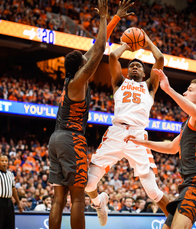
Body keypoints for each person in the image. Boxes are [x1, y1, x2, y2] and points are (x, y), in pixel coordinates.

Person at [48, 1, 134, 228]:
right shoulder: (78, 82)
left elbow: (96, 47)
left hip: (56, 139)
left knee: (58, 199)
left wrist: (115, 18)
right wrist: (105, 18)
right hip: (70, 139)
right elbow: (99, 49)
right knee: (77, 198)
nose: (88, 59)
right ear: (81, 67)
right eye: (85, 60)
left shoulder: (71, 78)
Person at [85, 27, 169, 227]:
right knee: (88, 184)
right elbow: (113, 56)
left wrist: (146, 40)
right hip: (116, 132)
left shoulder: (149, 86)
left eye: (138, 66)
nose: (134, 67)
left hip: (138, 136)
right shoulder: (119, 82)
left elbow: (160, 60)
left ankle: (175, 220)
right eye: (131, 65)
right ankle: (99, 203)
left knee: (152, 191)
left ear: (144, 72)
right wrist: (128, 44)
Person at [125, 69, 196, 229]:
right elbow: (172, 147)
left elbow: (195, 111)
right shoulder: (187, 124)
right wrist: (142, 142)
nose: (185, 92)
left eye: (190, 90)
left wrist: (168, 89)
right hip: (188, 183)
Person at [0, 155, 23, 229]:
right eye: (2, 161)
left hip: (9, 202)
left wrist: (18, 203)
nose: (4, 162)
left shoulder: (10, 174)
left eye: (6, 161)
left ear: (8, 163)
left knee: (10, 225)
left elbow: (13, 190)